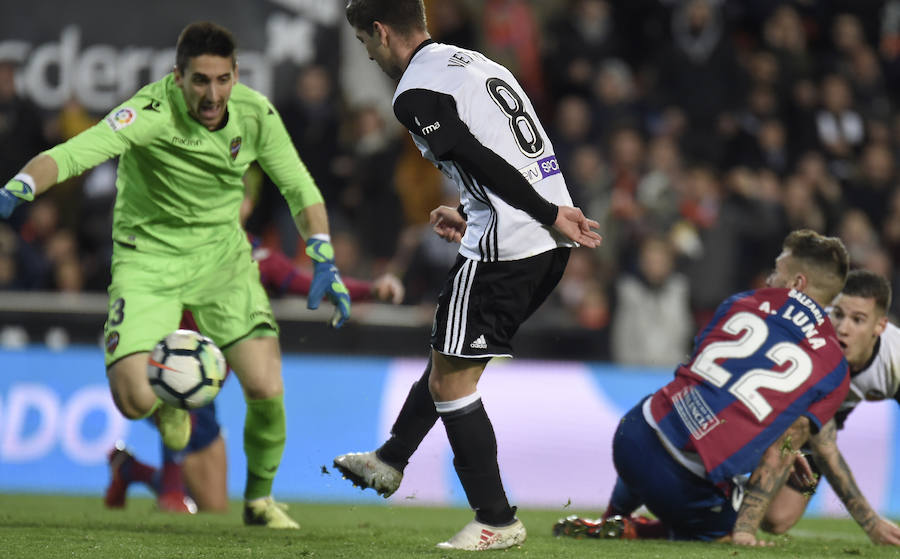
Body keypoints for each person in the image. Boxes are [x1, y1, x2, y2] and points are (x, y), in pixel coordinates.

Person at [0, 22, 351, 529]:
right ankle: (168, 404)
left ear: (235, 75)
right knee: (133, 396)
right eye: (201, 81)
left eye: (223, 80)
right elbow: (78, 151)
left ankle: (258, 502)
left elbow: (298, 185)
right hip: (149, 265)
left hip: (223, 264)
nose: (213, 95)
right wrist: (24, 183)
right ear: (178, 77)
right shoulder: (150, 111)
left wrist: (322, 253)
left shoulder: (254, 115)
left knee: (266, 386)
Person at [336, 0, 603, 551]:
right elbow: (511, 148)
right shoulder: (474, 63)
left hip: (512, 243)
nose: (369, 54)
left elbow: (477, 155)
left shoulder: (414, 93)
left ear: (380, 32)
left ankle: (496, 519)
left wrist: (541, 212)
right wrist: (483, 207)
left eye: (365, 43)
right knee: (448, 357)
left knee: (452, 382)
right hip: (542, 240)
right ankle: (390, 460)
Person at [555, 230, 850, 545]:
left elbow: (702, 379)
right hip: (682, 485)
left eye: (777, 270)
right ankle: (641, 530)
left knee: (663, 419)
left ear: (797, 284)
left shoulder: (742, 301)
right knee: (739, 521)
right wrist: (746, 531)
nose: (769, 278)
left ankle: (612, 518)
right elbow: (782, 447)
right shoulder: (835, 366)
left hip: (632, 435)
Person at [106, 246, 405, 514]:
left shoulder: (260, 258)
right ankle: (170, 494)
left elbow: (310, 284)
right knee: (177, 399)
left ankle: (131, 470)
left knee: (213, 504)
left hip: (205, 390)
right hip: (163, 365)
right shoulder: (181, 244)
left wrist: (370, 290)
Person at [761, 269, 900, 545]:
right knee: (787, 446)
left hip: (823, 423)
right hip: (780, 420)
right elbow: (824, 447)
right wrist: (870, 522)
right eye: (838, 314)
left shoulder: (895, 361)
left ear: (879, 326)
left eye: (858, 320)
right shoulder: (810, 343)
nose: (843, 328)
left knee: (778, 519)